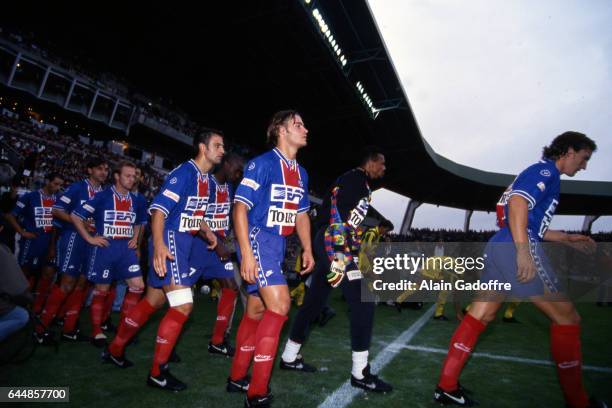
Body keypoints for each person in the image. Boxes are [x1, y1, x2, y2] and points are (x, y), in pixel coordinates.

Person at [433, 131, 606, 408]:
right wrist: (523, 252)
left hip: (501, 244)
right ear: (569, 151)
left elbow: (529, 219)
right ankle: (579, 403)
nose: (584, 166)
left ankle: (446, 386)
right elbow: (517, 204)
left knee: (482, 314)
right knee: (568, 319)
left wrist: (566, 238)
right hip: (515, 245)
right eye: (584, 158)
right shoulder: (545, 171)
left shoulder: (543, 175)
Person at [104, 129, 223, 392]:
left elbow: (191, 211)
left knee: (154, 301)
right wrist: (158, 245)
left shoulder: (207, 180)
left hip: (184, 242)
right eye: (217, 145)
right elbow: (158, 210)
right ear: (202, 148)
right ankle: (158, 372)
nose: (222, 150)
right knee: (182, 307)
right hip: (170, 240)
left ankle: (114, 349)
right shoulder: (185, 173)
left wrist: (206, 230)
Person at [279, 146, 392, 393]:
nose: (384, 169)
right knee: (364, 301)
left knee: (315, 301)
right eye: (381, 164)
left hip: (328, 239)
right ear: (371, 161)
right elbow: (337, 214)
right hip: (334, 240)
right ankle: (360, 373)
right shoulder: (357, 180)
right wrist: (343, 246)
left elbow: (339, 211)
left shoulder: (352, 180)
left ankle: (289, 356)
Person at [228, 110, 314, 407]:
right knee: (280, 305)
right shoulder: (261, 164)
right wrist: (247, 255)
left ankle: (237, 377)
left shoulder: (301, 173)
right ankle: (257, 392)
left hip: (277, 245)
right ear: (280, 130)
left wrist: (308, 248)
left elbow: (301, 213)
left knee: (255, 310)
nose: (305, 129)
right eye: (298, 124)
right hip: (257, 238)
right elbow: (239, 209)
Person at [70, 161, 147, 347]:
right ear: (117, 176)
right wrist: (90, 239)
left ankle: (123, 328)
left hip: (126, 250)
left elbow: (139, 222)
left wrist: (135, 238)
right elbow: (75, 216)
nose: (132, 179)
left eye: (134, 176)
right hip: (105, 248)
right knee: (102, 290)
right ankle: (97, 331)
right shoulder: (102, 196)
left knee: (138, 286)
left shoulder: (136, 200)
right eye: (128, 175)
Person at [36, 158, 108, 344]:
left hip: (92, 242)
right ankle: (40, 328)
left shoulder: (105, 193)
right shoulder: (77, 187)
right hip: (73, 238)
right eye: (99, 168)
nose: (104, 172)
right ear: (89, 170)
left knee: (81, 284)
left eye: (106, 170)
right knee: (66, 283)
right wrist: (80, 221)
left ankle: (69, 328)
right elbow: (56, 210)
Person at [190, 152, 244, 357]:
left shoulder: (229, 187)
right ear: (226, 163)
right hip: (199, 245)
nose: (238, 174)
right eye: (237, 169)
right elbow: (195, 217)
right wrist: (213, 240)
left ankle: (218, 341)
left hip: (218, 247)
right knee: (177, 297)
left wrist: (224, 241)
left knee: (231, 288)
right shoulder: (206, 184)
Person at [5, 172, 64, 313]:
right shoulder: (29, 197)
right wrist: (22, 232)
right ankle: (19, 304)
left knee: (48, 274)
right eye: (55, 183)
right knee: (25, 273)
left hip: (51, 241)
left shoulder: (60, 199)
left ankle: (37, 306)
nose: (58, 187)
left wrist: (53, 245)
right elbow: (10, 215)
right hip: (32, 241)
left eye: (60, 185)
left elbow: (58, 223)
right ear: (47, 181)